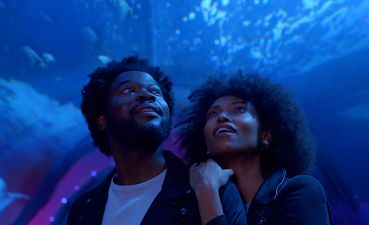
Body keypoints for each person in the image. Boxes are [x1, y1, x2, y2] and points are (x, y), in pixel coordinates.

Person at [67, 56, 244, 225]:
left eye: (155, 91)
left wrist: (207, 195)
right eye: (128, 90)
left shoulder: (213, 189)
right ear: (102, 120)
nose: (147, 95)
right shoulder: (83, 211)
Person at [177, 72, 333, 225]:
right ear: (205, 142)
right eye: (213, 113)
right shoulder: (187, 204)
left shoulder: (300, 191)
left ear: (265, 135)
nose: (221, 117)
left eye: (239, 109)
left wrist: (208, 195)